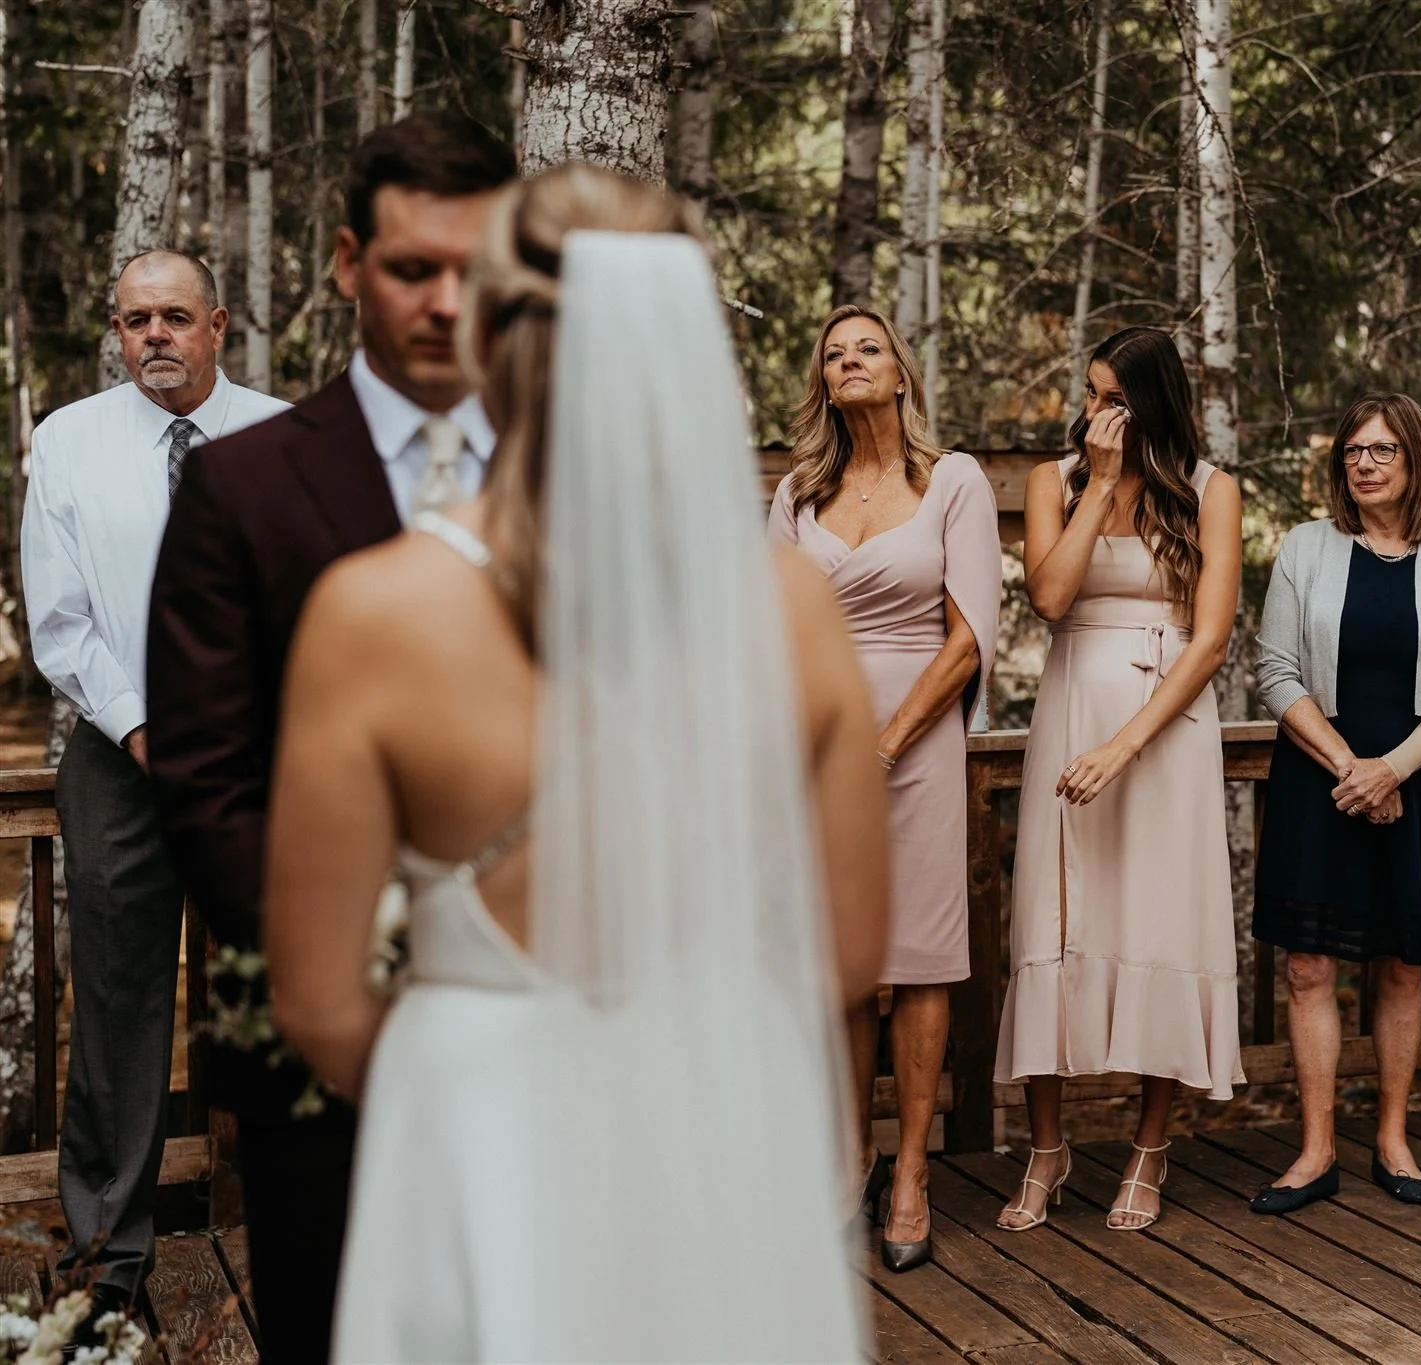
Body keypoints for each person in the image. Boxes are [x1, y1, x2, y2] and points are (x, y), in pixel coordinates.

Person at [266, 163, 883, 1362]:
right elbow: (847, 955)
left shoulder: (371, 615)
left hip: (468, 1134)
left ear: (490, 335)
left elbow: (319, 999)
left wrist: (479, 1080)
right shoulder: (792, 609)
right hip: (720, 1135)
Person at [147, 113, 516, 1361]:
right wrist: (347, 973)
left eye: (476, 269)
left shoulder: (561, 475)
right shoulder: (243, 484)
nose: (443, 301)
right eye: (414, 268)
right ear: (352, 262)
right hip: (318, 1045)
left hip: (540, 1026)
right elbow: (205, 778)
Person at [20, 250, 288, 1325]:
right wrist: (142, 727)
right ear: (117, 330)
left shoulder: (283, 435)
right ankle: (108, 1262)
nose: (156, 338)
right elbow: (62, 618)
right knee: (119, 1008)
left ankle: (301, 1235)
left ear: (219, 325)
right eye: (137, 321)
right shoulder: (71, 440)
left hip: (260, 757)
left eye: (177, 317)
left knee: (284, 1001)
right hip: (119, 758)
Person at [992, 326, 1243, 1233]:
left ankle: (1148, 1148)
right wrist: (1098, 484)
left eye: (1114, 398)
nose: (1094, 410)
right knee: (1056, 917)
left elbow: (1210, 637)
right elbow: (1051, 598)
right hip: (1071, 708)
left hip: (1165, 728)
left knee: (1162, 917)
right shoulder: (1054, 480)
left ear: (1154, 402)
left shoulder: (1211, 491)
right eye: (1090, 393)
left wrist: (1126, 745)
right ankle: (1048, 1147)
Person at [770, 306, 999, 1274]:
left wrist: (888, 742)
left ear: (900, 374)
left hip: (916, 745)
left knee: (918, 959)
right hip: (816, 751)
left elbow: (969, 632)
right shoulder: (793, 495)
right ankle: (844, 1156)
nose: (848, 361)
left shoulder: (951, 483)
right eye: (832, 353)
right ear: (821, 381)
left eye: (866, 348)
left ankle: (910, 1171)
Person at [1248, 393, 1421, 1213]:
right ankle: (1316, 1149)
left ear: (1415, 460)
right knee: (1310, 966)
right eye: (1353, 450)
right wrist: (1353, 767)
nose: (1365, 463)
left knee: (1401, 962)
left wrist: (1392, 769)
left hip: (1415, 784)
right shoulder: (1305, 549)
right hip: (1319, 780)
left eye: (1383, 450)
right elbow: (1276, 671)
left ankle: (1392, 1137)